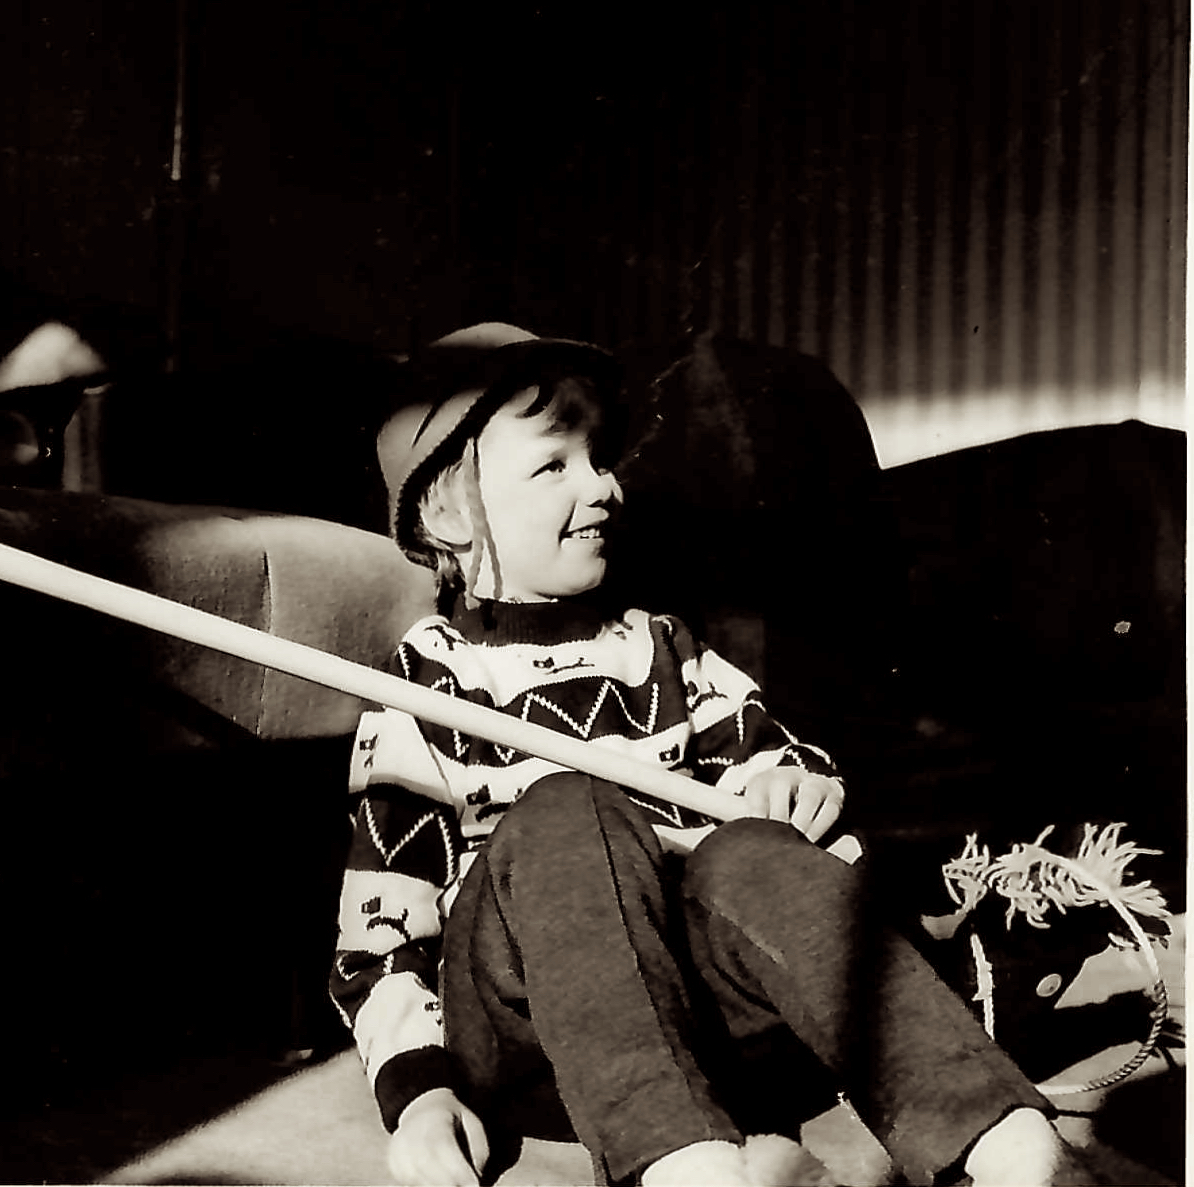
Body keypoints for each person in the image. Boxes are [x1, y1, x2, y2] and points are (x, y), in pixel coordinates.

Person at [329, 323, 1077, 1187]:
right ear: (449, 513)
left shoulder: (664, 646)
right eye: (553, 465)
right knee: (571, 808)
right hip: (539, 1040)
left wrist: (790, 785)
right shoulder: (425, 685)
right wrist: (419, 1094)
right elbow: (378, 935)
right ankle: (686, 1167)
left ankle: (1005, 1143)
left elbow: (780, 762)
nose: (605, 487)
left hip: (717, 1023)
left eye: (599, 456)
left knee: (753, 848)